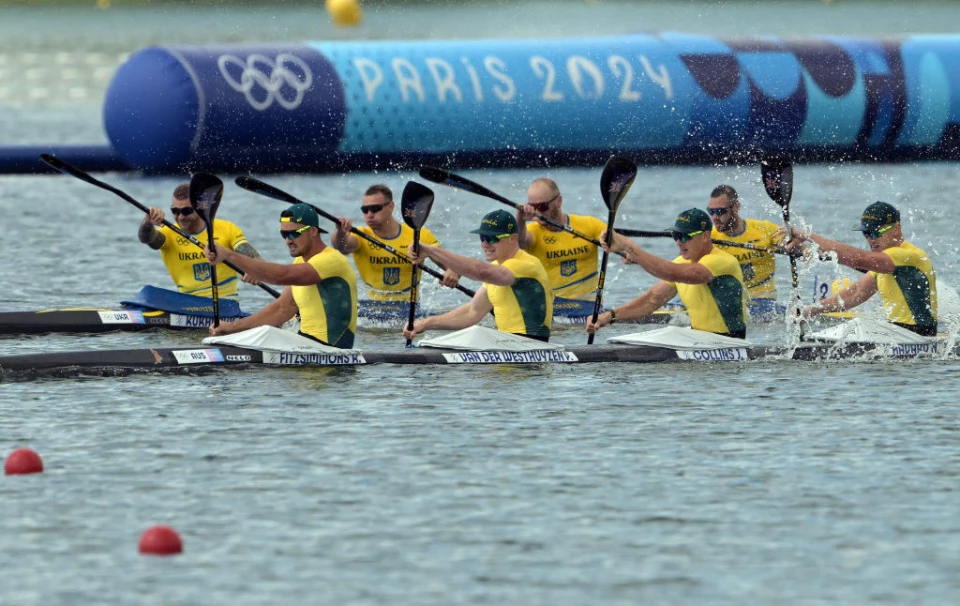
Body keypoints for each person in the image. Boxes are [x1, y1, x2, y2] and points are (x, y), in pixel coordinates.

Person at [204, 203, 358, 348]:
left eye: (293, 234)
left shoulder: (331, 260)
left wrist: (229, 255)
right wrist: (231, 328)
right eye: (284, 234)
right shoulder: (300, 261)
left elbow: (280, 276)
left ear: (313, 232)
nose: (287, 241)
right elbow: (281, 310)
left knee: (267, 334)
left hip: (331, 350)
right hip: (305, 345)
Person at [586, 208, 748, 338]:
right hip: (700, 340)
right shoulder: (681, 262)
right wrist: (607, 317)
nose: (678, 242)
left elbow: (672, 273)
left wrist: (629, 247)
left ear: (706, 236)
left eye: (685, 236)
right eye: (675, 235)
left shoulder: (721, 262)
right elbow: (651, 301)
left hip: (730, 342)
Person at [784, 201, 937, 335]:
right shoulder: (885, 261)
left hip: (919, 335)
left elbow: (858, 258)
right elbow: (856, 293)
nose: (871, 239)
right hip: (896, 332)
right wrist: (811, 310)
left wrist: (808, 236)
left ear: (896, 229)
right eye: (866, 233)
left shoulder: (907, 255)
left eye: (876, 233)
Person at [402, 210, 553, 342]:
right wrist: (424, 324)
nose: (485, 244)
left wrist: (433, 251)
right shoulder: (497, 268)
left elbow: (481, 272)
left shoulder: (526, 265)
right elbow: (471, 312)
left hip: (532, 348)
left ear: (513, 238)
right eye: (482, 237)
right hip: (508, 346)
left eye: (492, 238)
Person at [332, 184, 459, 304]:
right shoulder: (361, 235)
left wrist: (452, 272)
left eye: (375, 209)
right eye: (365, 210)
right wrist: (340, 231)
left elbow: (453, 266)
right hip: (372, 307)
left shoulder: (419, 234)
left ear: (391, 206)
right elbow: (342, 247)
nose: (369, 215)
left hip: (408, 307)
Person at [139, 182, 261, 301]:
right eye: (175, 211)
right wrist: (147, 223)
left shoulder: (226, 229)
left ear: (200, 207)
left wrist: (255, 269)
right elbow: (147, 239)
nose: (180, 216)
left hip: (225, 305)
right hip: (187, 305)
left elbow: (256, 259)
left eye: (186, 211)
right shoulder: (169, 233)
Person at [516, 177, 606, 302]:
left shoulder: (589, 225)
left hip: (589, 306)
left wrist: (626, 252)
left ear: (559, 201)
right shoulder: (532, 232)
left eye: (542, 206)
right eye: (533, 206)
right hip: (552, 305)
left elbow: (619, 242)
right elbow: (520, 242)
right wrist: (520, 219)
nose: (537, 212)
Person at [707, 184, 781, 311]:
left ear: (736, 207)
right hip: (725, 300)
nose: (714, 217)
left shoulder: (764, 229)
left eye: (720, 212)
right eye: (711, 212)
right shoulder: (708, 237)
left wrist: (800, 249)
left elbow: (791, 243)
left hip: (762, 300)